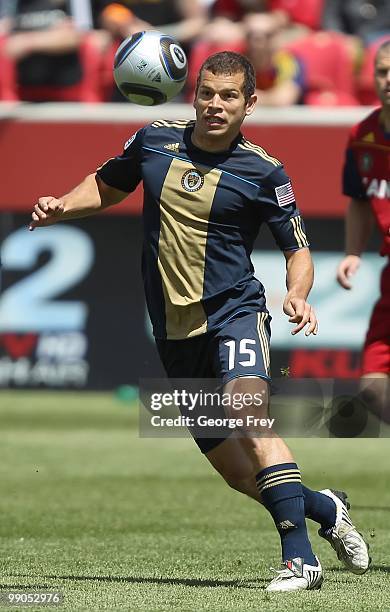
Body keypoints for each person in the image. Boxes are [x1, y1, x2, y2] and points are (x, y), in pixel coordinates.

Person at [30, 51, 370, 592]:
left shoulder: (264, 171)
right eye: (207, 93)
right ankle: (324, 509)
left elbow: (297, 249)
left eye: (229, 96)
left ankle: (300, 561)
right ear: (195, 94)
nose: (215, 104)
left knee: (248, 412)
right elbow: (107, 184)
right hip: (172, 329)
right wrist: (61, 207)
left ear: (250, 103)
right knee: (239, 473)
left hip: (235, 312)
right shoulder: (153, 140)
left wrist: (299, 294)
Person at [336, 39, 390, 421]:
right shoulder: (363, 134)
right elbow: (358, 199)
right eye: (384, 71)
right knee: (373, 387)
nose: (389, 80)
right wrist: (353, 251)